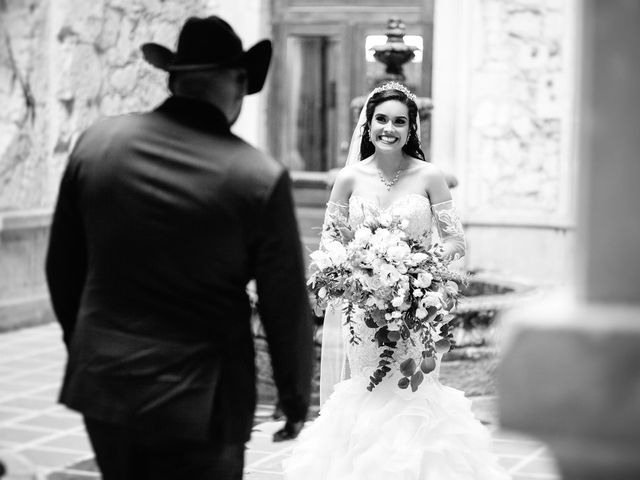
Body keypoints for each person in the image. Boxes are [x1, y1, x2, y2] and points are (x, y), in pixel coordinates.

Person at [45, 15, 314, 480]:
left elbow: (62, 266)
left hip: (106, 385)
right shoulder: (257, 177)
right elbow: (284, 302)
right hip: (203, 400)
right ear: (237, 82)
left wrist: (87, 345)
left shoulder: (97, 144)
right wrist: (294, 399)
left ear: (173, 79)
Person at [283, 82, 510, 479]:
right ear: (368, 124)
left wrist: (421, 265)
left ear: (411, 129)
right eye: (382, 119)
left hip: (415, 308)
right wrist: (351, 272)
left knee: (411, 393)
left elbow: (455, 238)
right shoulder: (348, 179)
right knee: (367, 392)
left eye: (399, 122)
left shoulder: (430, 176)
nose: (389, 128)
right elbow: (330, 242)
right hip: (364, 311)